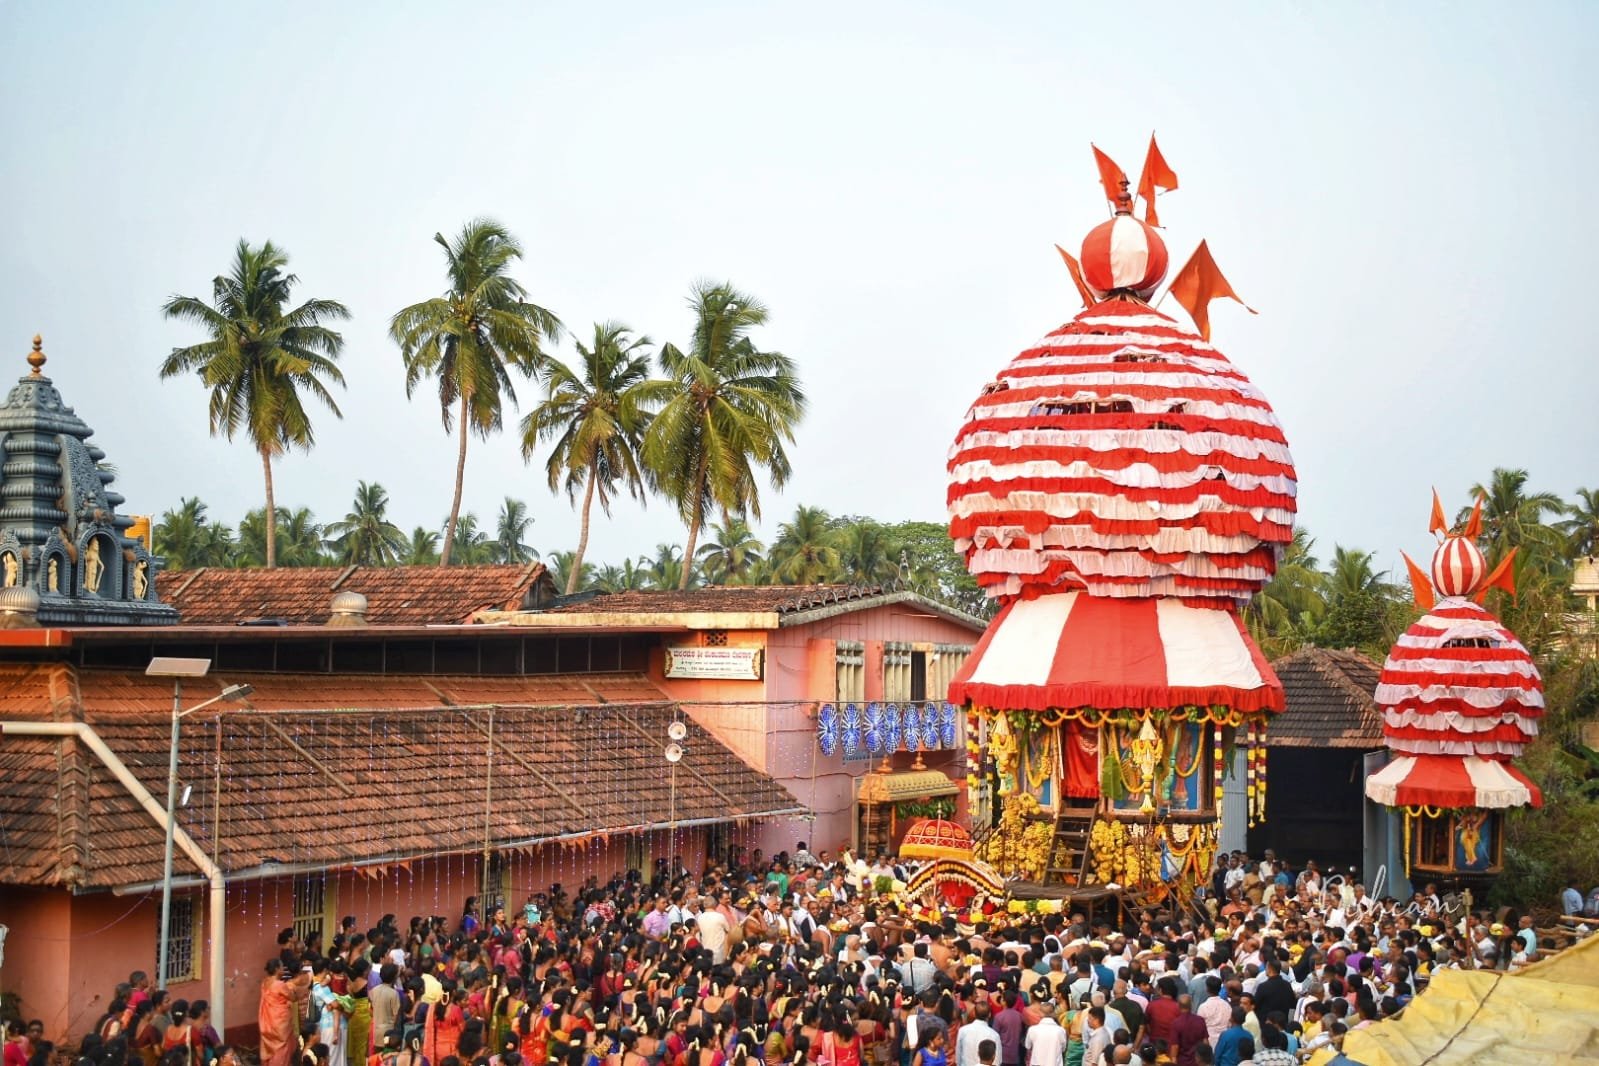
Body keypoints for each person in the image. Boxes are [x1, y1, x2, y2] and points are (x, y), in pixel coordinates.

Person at [1168, 997, 1207, 1066]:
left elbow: (1175, 1046)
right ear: (1191, 1005)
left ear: (1178, 1006)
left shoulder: (1176, 1023)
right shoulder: (1200, 1020)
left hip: (1182, 1062)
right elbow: (1205, 1042)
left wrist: (1173, 1061)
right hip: (1197, 1061)